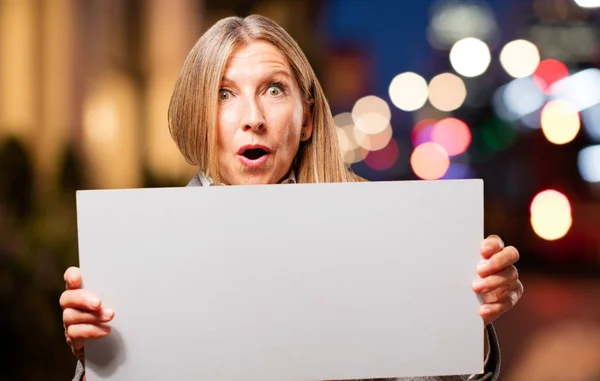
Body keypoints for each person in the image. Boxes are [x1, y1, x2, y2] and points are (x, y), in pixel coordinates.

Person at [59, 14, 524, 381]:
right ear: (197, 117)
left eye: (274, 90)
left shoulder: (373, 236)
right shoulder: (140, 255)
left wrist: (469, 324)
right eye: (224, 94)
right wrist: (96, 359)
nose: (253, 117)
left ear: (305, 119)